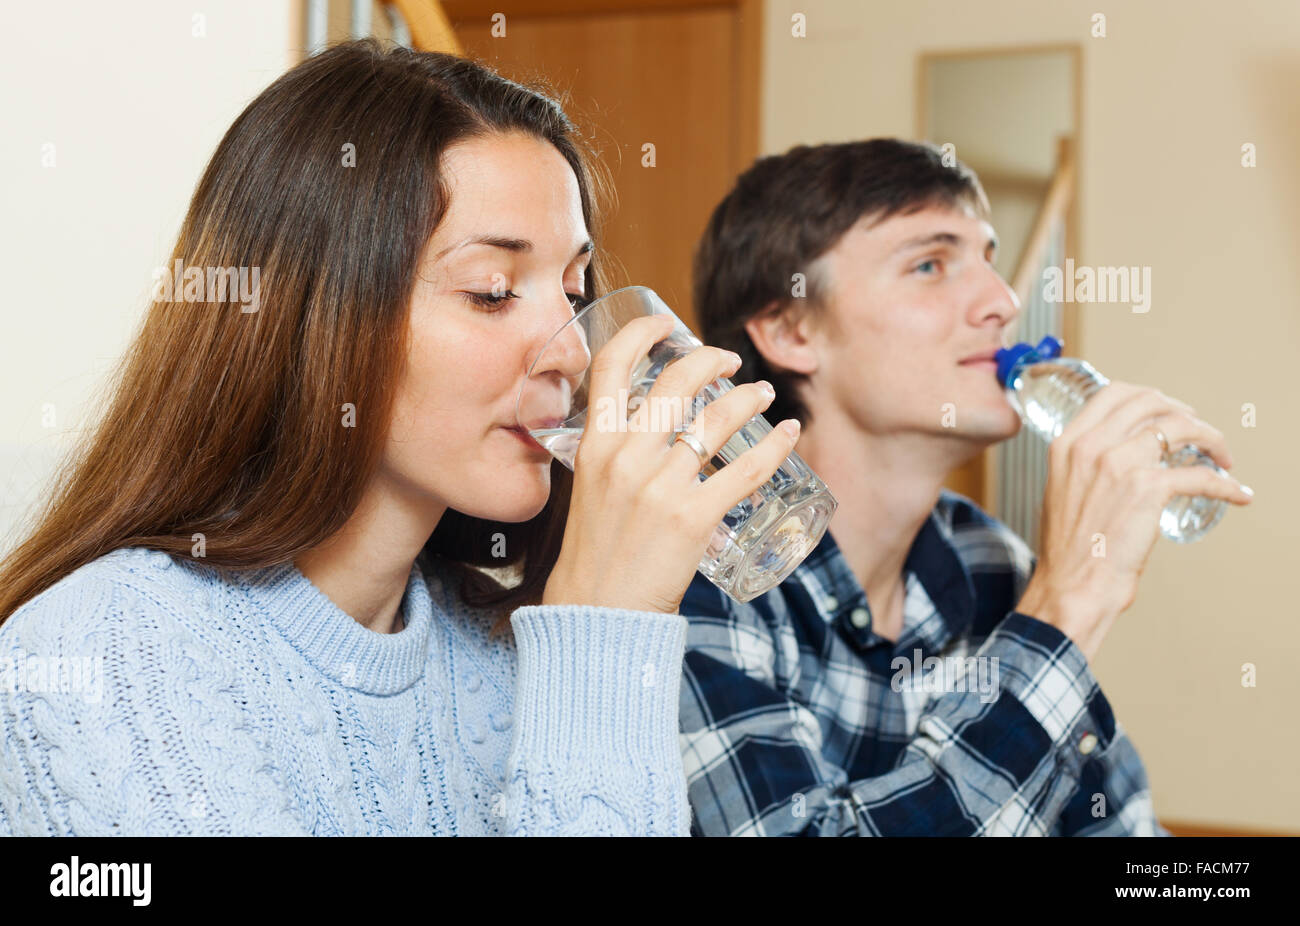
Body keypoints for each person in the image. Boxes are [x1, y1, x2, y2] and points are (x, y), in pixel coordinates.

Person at [0, 40, 799, 836]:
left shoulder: (498, 656)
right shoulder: (106, 654)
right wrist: (604, 635)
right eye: (491, 292)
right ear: (314, 315)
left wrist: (598, 646)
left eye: (572, 288)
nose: (572, 349)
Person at [678, 138, 1253, 836]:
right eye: (930, 263)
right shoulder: (701, 560)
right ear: (791, 328)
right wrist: (1066, 608)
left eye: (988, 257)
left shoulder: (989, 562)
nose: (1004, 302)